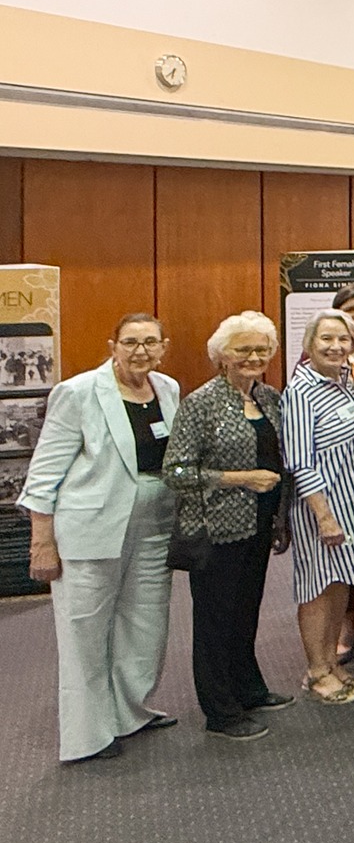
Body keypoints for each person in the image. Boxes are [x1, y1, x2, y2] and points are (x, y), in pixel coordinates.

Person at [19, 314, 183, 760]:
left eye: (150, 342)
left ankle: (130, 711)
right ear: (112, 344)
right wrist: (42, 540)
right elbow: (45, 472)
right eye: (130, 342)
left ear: (164, 347)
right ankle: (88, 734)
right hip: (89, 526)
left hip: (155, 524)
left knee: (145, 624)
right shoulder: (77, 392)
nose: (140, 351)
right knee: (85, 631)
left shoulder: (167, 389)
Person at [164, 312, 291, 742]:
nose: (254, 357)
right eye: (244, 350)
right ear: (222, 356)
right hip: (216, 528)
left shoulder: (270, 398)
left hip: (259, 524)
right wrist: (240, 479)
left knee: (245, 612)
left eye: (262, 349)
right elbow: (176, 471)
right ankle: (220, 711)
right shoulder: (200, 404)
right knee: (215, 620)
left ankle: (249, 688)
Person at [283, 310, 354, 705]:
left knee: (341, 584)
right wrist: (323, 516)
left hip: (352, 506)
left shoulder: (341, 382)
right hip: (321, 510)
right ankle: (316, 670)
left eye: (343, 339)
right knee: (316, 589)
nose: (336, 346)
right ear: (309, 344)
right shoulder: (301, 391)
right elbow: (300, 460)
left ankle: (332, 662)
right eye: (326, 339)